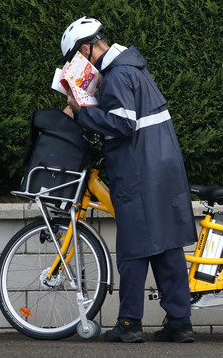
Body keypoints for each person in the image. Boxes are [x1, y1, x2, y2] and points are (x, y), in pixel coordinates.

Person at [59, 17, 198, 343]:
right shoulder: (131, 68)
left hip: (140, 171)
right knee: (166, 246)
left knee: (133, 249)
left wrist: (81, 112)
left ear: (85, 50)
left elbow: (122, 124)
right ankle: (180, 322)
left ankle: (129, 324)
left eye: (75, 60)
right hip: (160, 166)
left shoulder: (117, 76)